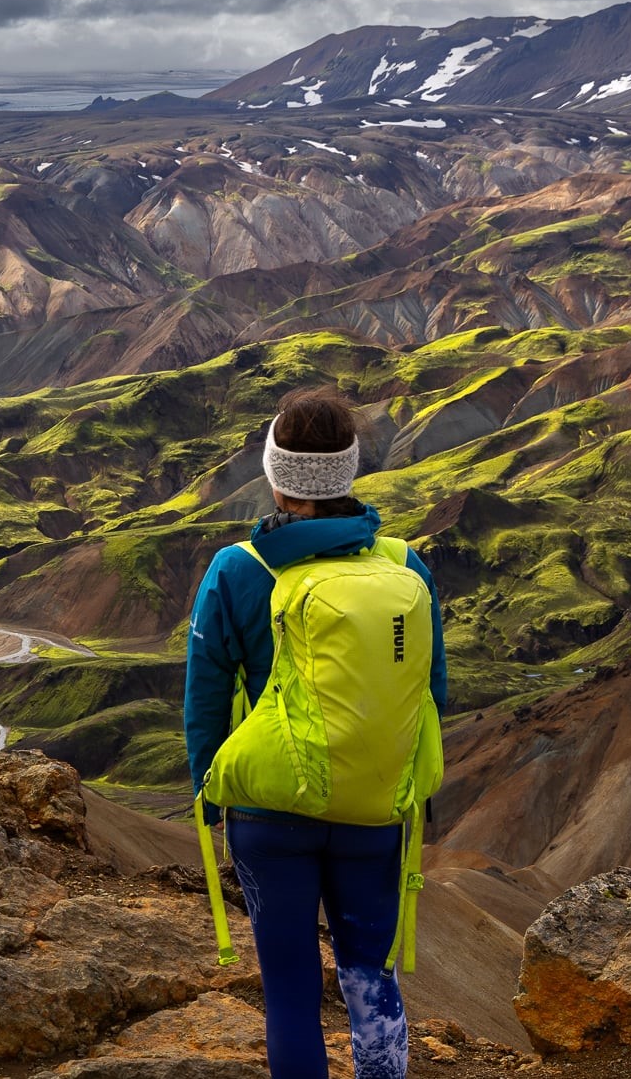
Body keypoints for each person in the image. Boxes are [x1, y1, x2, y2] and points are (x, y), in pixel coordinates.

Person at [183, 385, 448, 1079]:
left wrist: (210, 793)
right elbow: (430, 693)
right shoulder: (403, 567)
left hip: (270, 815)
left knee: (293, 994)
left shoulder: (238, 569)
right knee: (371, 983)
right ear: (350, 471)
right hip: (372, 810)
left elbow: (205, 698)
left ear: (274, 476)